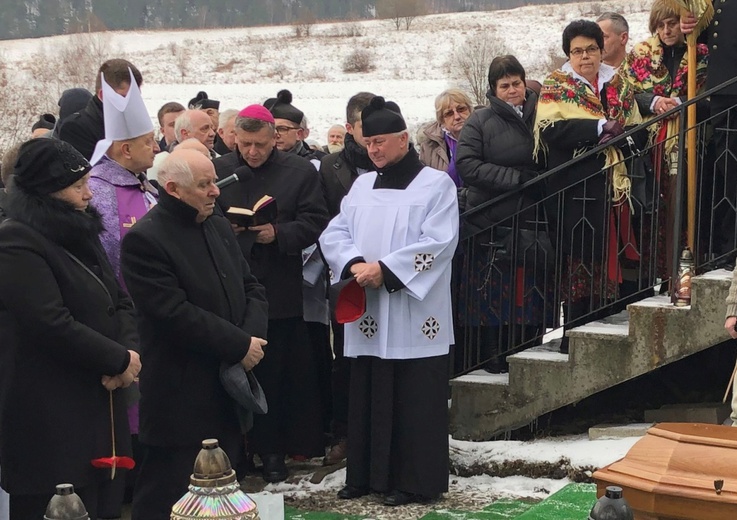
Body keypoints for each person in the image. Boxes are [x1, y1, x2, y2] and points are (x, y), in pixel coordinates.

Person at [320, 96, 459, 506]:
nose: (374, 150)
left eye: (381, 141)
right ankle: (366, 475)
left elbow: (440, 242)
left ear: (403, 139)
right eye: (368, 143)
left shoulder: (436, 184)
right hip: (369, 307)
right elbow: (334, 233)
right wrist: (354, 264)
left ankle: (415, 481)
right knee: (367, 391)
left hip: (414, 311)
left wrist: (387, 270)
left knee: (413, 397)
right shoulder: (361, 185)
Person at [120, 149, 269, 520]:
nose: (215, 191)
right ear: (172, 188)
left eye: (213, 180)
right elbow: (173, 314)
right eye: (204, 185)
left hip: (227, 385)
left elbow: (252, 287)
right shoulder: (145, 240)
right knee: (170, 494)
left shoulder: (215, 224)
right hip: (180, 395)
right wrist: (239, 345)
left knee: (223, 490)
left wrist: (249, 341)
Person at [0, 139, 141, 519]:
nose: (88, 193)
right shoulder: (16, 241)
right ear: (48, 190)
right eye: (78, 186)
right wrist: (116, 358)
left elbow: (120, 300)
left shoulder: (81, 232)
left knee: (103, 504)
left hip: (102, 400)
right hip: (51, 413)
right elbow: (49, 321)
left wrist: (128, 356)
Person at [215, 105, 329, 483]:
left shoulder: (297, 172)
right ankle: (236, 451)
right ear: (234, 138)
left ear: (274, 138)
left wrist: (276, 233)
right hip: (229, 284)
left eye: (260, 145)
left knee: (276, 376)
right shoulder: (219, 171)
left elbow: (316, 221)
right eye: (244, 144)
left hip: (278, 286)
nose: (252, 152)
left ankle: (274, 451)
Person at [534, 20, 644, 353]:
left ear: (601, 50)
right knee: (579, 260)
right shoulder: (557, 84)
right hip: (574, 188)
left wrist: (619, 136)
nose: (586, 57)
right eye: (578, 51)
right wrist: (598, 127)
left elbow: (638, 127)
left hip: (614, 186)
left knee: (613, 259)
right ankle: (574, 336)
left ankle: (608, 329)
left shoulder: (619, 83)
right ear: (568, 54)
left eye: (592, 49)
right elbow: (551, 129)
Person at [455, 55, 549, 373]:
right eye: (504, 85)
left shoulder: (544, 112)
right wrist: (516, 179)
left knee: (529, 295)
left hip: (534, 219)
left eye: (517, 83)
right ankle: (493, 355)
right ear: (493, 90)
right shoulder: (479, 121)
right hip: (490, 221)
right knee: (492, 298)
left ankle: (528, 349)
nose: (512, 90)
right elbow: (467, 165)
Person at [620, 0, 708, 284]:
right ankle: (654, 277)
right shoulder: (640, 54)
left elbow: (708, 93)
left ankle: (685, 271)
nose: (667, 30)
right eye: (661, 25)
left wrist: (681, 103)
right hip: (650, 145)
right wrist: (655, 101)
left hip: (690, 141)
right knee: (654, 213)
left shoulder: (700, 53)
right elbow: (625, 91)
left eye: (672, 24)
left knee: (685, 208)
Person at [318, 91, 376, 466]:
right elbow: (326, 219)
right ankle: (346, 431)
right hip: (348, 276)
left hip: (387, 275)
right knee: (347, 356)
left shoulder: (401, 165)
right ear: (351, 128)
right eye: (365, 127)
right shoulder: (331, 167)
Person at [682, 1, 737, 263]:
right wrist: (689, 28)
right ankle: (729, 246)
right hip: (723, 93)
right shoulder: (714, 3)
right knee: (728, 171)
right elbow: (711, 34)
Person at [59, 59, 143, 161]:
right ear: (103, 95)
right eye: (125, 97)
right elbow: (91, 172)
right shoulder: (75, 128)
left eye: (135, 97)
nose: (132, 103)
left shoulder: (134, 124)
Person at [418, 88, 474, 187]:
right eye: (449, 113)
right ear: (442, 120)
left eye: (461, 109)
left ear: (470, 110)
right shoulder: (428, 147)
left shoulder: (487, 134)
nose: (457, 116)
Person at [264, 89, 325, 162]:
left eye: (282, 129)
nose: (276, 134)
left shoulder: (318, 163)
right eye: (271, 129)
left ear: (299, 134)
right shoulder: (258, 161)